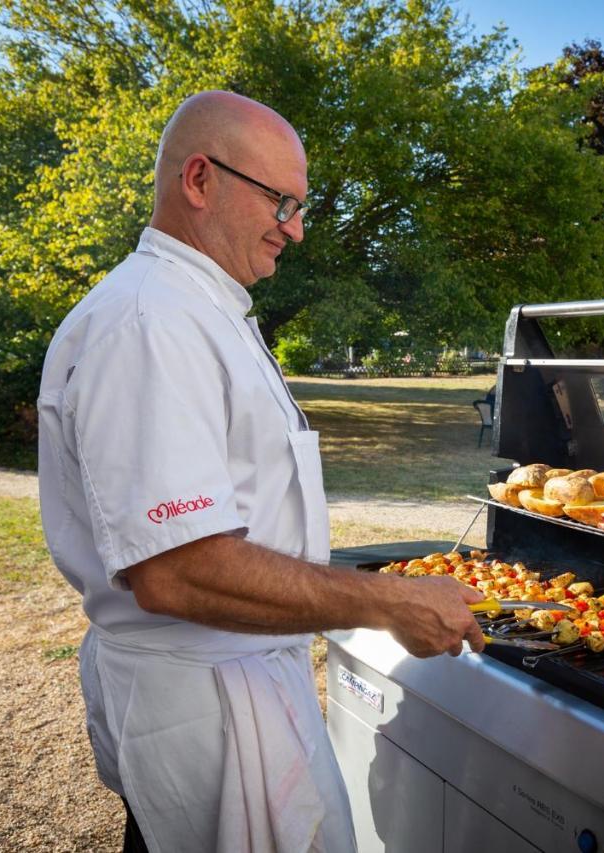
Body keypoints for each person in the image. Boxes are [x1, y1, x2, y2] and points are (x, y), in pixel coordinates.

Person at [37, 90, 485, 853]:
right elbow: (180, 570)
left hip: (239, 680)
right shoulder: (150, 322)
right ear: (200, 180)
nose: (297, 229)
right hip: (208, 701)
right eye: (281, 200)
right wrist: (388, 601)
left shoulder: (203, 308)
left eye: (300, 205)